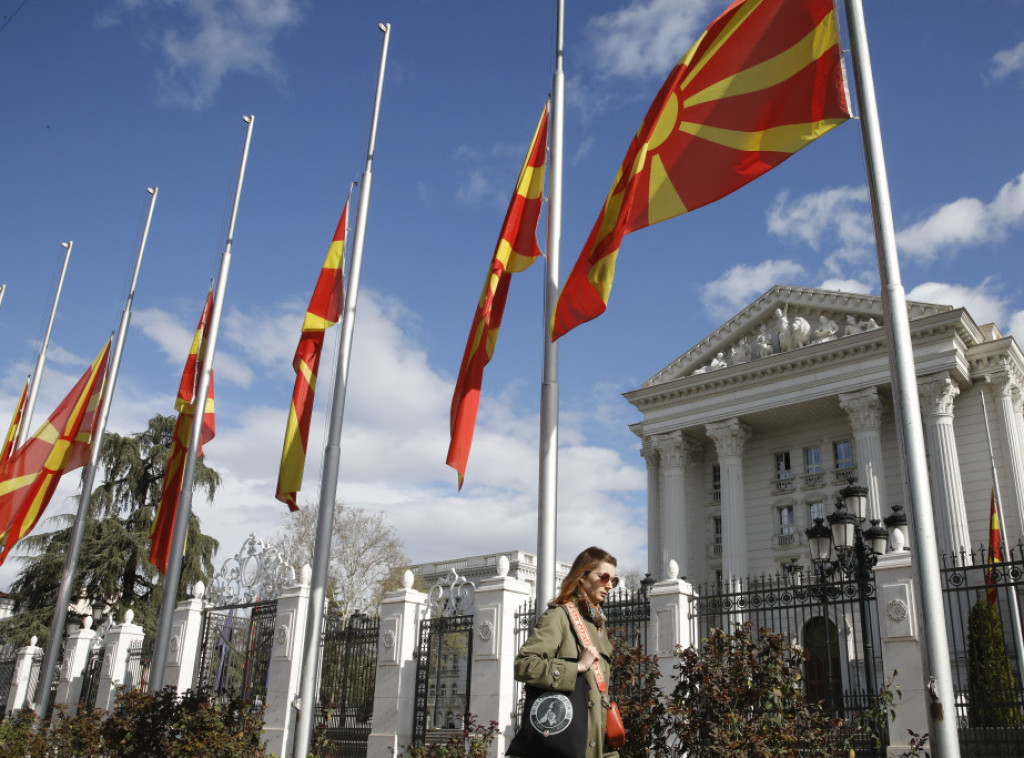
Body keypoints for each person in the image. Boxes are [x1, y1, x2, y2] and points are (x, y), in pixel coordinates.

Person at [514, 546, 620, 758]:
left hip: (596, 745)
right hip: (566, 743)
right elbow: (524, 665)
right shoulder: (559, 616)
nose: (609, 585)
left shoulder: (598, 624)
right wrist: (576, 667)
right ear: (582, 576)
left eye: (614, 580)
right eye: (603, 577)